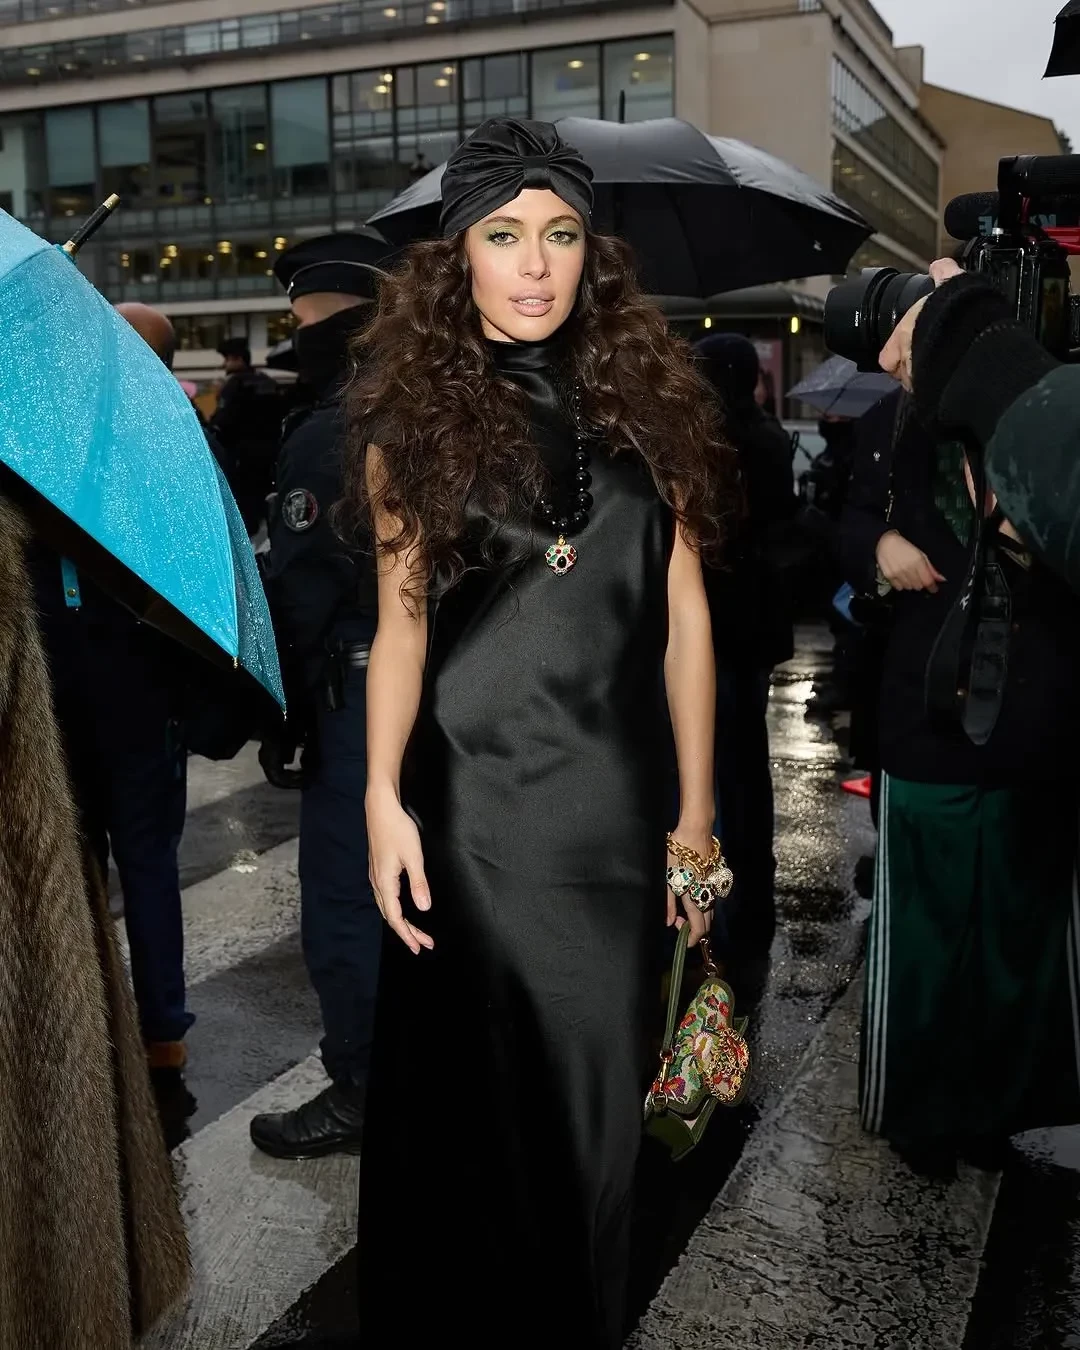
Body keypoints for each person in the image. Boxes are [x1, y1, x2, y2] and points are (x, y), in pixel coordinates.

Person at [346, 118, 735, 1348]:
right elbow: (402, 630)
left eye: (560, 235)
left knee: (603, 1121)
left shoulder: (656, 415)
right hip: (474, 813)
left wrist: (697, 817)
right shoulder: (409, 430)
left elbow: (684, 625)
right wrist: (380, 795)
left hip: (616, 811)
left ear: (590, 254)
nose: (534, 264)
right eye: (505, 235)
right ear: (456, 256)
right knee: (491, 1115)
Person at [839, 380, 1080, 1177]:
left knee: (1013, 933)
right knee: (924, 932)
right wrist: (879, 548)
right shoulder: (893, 422)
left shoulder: (1054, 421)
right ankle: (921, 1115)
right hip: (926, 722)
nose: (892, 353)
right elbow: (846, 521)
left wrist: (1034, 527)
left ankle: (992, 1111)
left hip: (1034, 721)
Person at [250, 234, 391, 1159]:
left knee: (348, 895)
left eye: (302, 323)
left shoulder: (331, 430)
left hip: (361, 690)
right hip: (448, 690)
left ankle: (363, 1087)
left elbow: (304, 592)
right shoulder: (449, 404)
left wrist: (284, 711)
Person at [31, 302, 193, 1073]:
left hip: (75, 673)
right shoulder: (170, 447)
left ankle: (100, 1019)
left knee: (81, 854)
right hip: (135, 679)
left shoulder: (45, 440)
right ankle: (161, 1029)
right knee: (145, 858)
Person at [881, 258, 1080, 594]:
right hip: (932, 609)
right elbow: (860, 508)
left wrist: (978, 345)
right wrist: (881, 540)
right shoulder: (899, 409)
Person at [695, 332, 796, 955]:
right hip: (754, 627)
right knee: (746, 762)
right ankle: (755, 883)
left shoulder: (708, 443)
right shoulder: (770, 438)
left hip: (715, 626)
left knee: (711, 763)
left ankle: (725, 904)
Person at [209, 336, 282, 534]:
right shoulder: (268, 382)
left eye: (228, 359)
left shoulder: (234, 385)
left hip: (242, 460)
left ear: (239, 359)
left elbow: (221, 423)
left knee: (245, 513)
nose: (225, 364)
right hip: (270, 458)